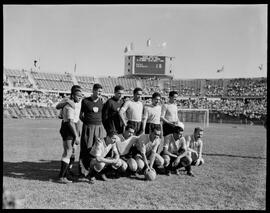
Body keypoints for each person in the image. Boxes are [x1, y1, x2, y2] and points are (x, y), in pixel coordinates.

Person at [78, 83, 107, 178]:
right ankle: (83, 169)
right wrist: (88, 123)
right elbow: (80, 115)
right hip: (88, 127)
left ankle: (96, 171)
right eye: (98, 91)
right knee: (86, 148)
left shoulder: (102, 101)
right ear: (93, 90)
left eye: (101, 91)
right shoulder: (85, 101)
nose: (100, 93)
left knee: (98, 149)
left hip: (99, 127)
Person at [56, 85, 82, 178]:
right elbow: (57, 106)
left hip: (75, 125)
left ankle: (68, 171)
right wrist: (65, 103)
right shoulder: (68, 101)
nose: (80, 97)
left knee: (73, 151)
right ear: (73, 94)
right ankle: (62, 176)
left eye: (81, 95)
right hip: (69, 125)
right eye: (78, 95)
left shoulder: (79, 101)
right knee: (68, 151)